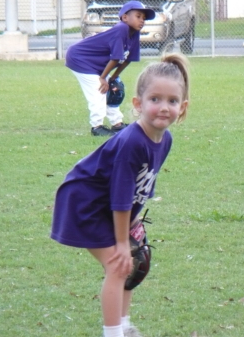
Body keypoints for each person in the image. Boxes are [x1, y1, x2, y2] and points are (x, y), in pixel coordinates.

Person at [51, 52, 190, 337]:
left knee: (132, 264)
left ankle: (124, 327)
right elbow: (120, 195)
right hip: (84, 204)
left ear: (183, 107)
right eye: (155, 99)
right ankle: (113, 333)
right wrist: (121, 240)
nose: (164, 107)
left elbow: (141, 187)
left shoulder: (165, 140)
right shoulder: (132, 142)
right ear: (138, 104)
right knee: (119, 266)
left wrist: (132, 226)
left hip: (106, 205)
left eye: (172, 101)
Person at [65, 1, 155, 137]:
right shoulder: (121, 29)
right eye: (138, 16)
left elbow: (128, 59)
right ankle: (97, 126)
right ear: (125, 17)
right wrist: (102, 78)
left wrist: (113, 78)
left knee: (115, 89)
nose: (142, 20)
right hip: (80, 58)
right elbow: (115, 57)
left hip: (97, 64)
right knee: (99, 90)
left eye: (143, 18)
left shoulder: (134, 33)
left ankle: (117, 124)